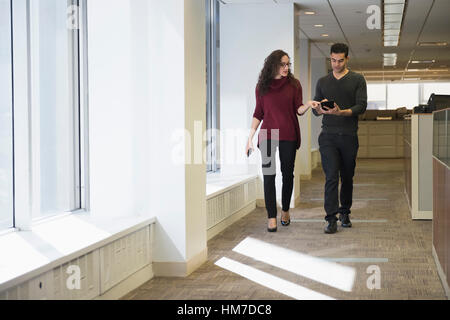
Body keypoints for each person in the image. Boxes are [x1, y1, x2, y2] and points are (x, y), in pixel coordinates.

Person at [245, 50, 320, 232]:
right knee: (269, 176)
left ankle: (285, 210)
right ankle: (271, 216)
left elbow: (298, 109)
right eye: (282, 64)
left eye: (288, 64)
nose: (286, 68)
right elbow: (258, 113)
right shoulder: (262, 86)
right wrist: (250, 138)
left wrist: (309, 105)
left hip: (288, 134)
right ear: (273, 65)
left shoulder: (294, 85)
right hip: (268, 135)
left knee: (288, 175)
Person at [311, 43, 367, 234]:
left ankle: (345, 212)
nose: (336, 64)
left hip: (349, 136)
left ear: (347, 59)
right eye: (333, 60)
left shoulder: (357, 79)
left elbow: (361, 106)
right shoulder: (323, 82)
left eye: (340, 60)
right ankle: (330, 218)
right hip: (328, 136)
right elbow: (316, 112)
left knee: (347, 177)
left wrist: (342, 112)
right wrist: (317, 109)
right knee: (331, 176)